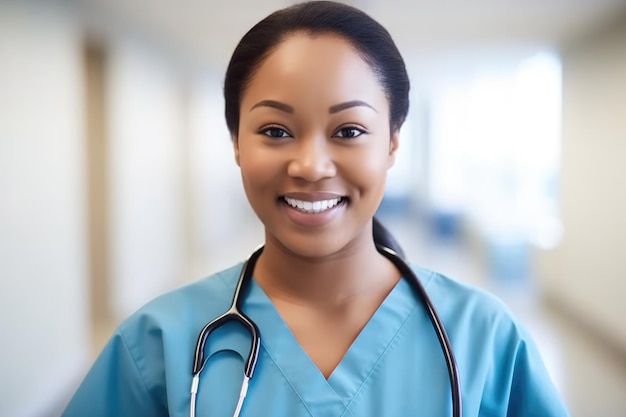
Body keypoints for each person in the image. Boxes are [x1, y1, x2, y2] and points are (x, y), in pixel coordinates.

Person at [61, 1, 570, 416]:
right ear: (236, 143)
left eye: (349, 131)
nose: (310, 165)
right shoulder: (157, 345)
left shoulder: (483, 338)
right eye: (275, 131)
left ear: (392, 144)